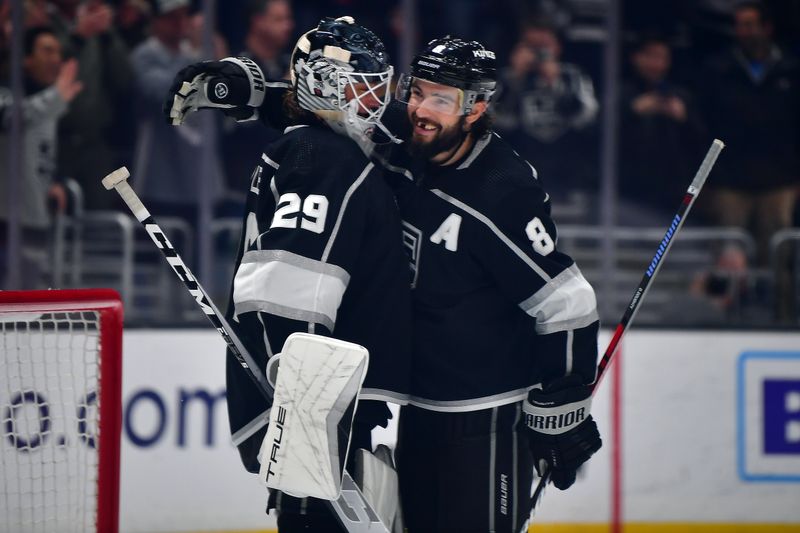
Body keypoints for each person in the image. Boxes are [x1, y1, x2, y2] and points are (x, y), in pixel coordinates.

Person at [163, 31, 601, 533]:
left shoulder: (501, 190)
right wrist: (258, 95)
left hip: (487, 410)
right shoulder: (409, 138)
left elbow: (567, 301)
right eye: (416, 91)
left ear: (476, 108)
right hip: (420, 405)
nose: (420, 109)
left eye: (443, 99)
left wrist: (565, 403)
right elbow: (341, 110)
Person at [169, 16, 412, 532]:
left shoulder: (317, 148)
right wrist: (305, 416)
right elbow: (286, 298)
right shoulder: (322, 158)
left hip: (328, 410)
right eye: (364, 89)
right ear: (327, 86)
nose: (376, 104)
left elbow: (393, 129)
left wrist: (261, 96)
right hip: (321, 414)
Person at [699, 0, 799, 321]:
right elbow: (706, 124)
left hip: (779, 181)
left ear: (767, 28)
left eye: (751, 24)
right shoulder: (719, 69)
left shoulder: (791, 70)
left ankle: (780, 318)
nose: (745, 31)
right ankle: (727, 320)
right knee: (728, 256)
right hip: (730, 179)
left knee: (778, 257)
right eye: (741, 24)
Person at [0, 26, 83, 289]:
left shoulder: (52, 103)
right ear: (25, 58)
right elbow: (13, 120)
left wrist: (56, 180)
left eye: (58, 52)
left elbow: (46, 150)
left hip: (36, 220)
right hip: (5, 223)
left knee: (28, 311)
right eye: (47, 50)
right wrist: (55, 98)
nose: (55, 59)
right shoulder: (8, 94)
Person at [493, 18, 599, 204]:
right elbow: (496, 122)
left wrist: (556, 83)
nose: (538, 53)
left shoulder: (572, 75)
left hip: (567, 166)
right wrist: (516, 80)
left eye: (544, 46)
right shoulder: (506, 77)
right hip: (519, 167)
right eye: (531, 46)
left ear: (557, 47)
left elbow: (587, 119)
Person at [619, 35, 706, 225]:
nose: (656, 64)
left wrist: (683, 118)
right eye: (650, 56)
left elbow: (700, 143)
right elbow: (600, 137)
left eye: (662, 58)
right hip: (628, 190)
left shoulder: (681, 96)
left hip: (672, 190)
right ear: (635, 57)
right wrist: (632, 111)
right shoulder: (621, 93)